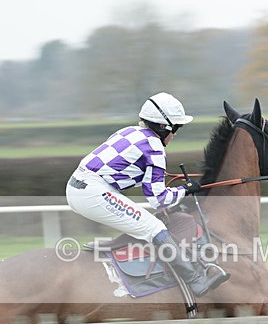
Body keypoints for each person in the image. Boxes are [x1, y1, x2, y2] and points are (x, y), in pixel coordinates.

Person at [66, 92, 229, 297]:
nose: (175, 134)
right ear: (163, 127)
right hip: (92, 192)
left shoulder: (129, 132)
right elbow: (158, 200)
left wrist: (177, 191)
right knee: (154, 227)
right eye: (175, 128)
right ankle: (196, 279)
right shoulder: (155, 147)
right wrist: (185, 190)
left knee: (143, 222)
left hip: (81, 186)